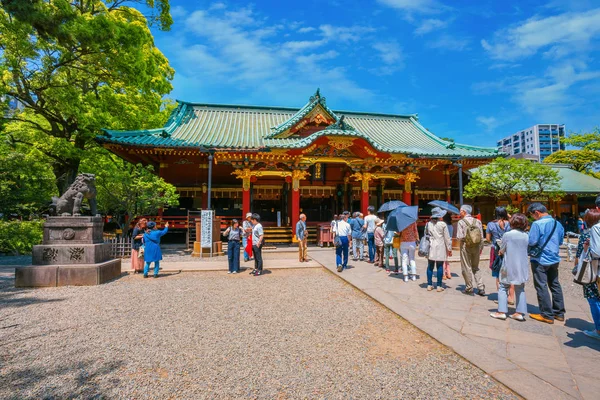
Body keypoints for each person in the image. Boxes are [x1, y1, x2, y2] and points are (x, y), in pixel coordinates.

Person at [527, 202, 565, 324]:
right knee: (555, 284)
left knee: (541, 285)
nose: (532, 217)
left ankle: (547, 314)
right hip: (554, 258)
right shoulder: (557, 223)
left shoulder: (537, 224)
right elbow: (560, 241)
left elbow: (532, 241)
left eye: (532, 215)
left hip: (540, 259)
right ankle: (559, 313)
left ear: (536, 213)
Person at [490, 213, 529, 321]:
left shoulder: (507, 235)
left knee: (503, 287)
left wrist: (500, 251)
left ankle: (501, 311)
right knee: (520, 288)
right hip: (522, 264)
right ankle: (519, 313)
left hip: (509, 263)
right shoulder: (526, 235)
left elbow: (502, 249)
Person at [574, 209, 600, 339]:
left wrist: (576, 267)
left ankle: (598, 329)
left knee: (593, 299)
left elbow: (580, 255)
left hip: (591, 271)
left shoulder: (587, 235)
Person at [457, 205, 486, 296]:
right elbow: (481, 236)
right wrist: (481, 247)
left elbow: (459, 236)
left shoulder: (461, 222)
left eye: (461, 211)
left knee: (466, 267)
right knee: (476, 267)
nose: (460, 212)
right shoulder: (477, 221)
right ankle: (481, 287)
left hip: (466, 246)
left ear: (464, 212)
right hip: (477, 246)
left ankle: (469, 287)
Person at [486, 207, 513, 304]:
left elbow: (488, 238)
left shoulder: (491, 224)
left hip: (496, 249)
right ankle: (510, 296)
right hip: (509, 249)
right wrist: (509, 216)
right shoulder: (510, 224)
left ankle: (501, 296)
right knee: (510, 272)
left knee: (498, 272)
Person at [425, 207, 452, 292]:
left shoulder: (428, 224)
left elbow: (426, 235)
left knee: (430, 266)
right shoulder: (443, 224)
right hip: (440, 246)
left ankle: (429, 284)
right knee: (440, 266)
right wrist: (449, 248)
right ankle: (439, 286)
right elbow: (447, 238)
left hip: (431, 246)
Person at [443, 213, 453, 280]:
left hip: (443, 242)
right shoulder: (451, 226)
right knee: (446, 259)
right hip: (449, 242)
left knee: (443, 259)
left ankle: (444, 274)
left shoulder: (443, 225)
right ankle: (449, 273)